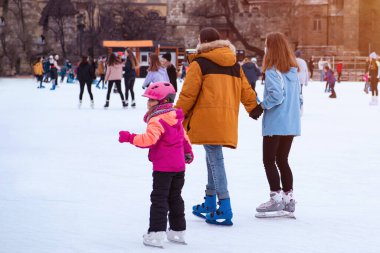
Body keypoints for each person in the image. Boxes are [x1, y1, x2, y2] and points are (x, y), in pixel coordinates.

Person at [175, 27, 259, 226]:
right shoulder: (234, 64)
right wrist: (253, 107)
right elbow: (245, 89)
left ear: (202, 41)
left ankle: (225, 206)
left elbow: (188, 94)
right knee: (211, 156)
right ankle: (210, 202)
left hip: (206, 118)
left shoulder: (199, 63)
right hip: (225, 118)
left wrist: (176, 115)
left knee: (215, 159)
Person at [118, 82, 193, 248]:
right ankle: (177, 231)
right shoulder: (174, 116)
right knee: (175, 198)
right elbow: (184, 137)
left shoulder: (157, 120)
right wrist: (187, 152)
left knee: (159, 199)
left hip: (163, 169)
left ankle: (156, 233)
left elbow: (148, 140)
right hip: (179, 167)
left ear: (163, 101)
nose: (148, 104)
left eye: (152, 100)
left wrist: (129, 137)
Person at [250, 32, 302, 217]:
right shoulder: (294, 71)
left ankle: (276, 198)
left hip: (276, 123)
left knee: (269, 160)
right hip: (291, 123)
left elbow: (277, 96)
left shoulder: (273, 70)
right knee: (282, 160)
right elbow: (299, 99)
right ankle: (288, 199)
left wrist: (261, 106)